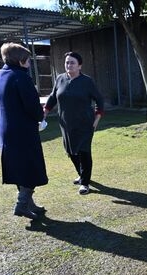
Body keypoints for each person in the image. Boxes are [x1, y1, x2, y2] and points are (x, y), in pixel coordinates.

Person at [0, 42, 48, 220]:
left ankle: (28, 203)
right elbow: (32, 106)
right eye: (27, 60)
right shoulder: (21, 77)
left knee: (19, 166)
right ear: (20, 61)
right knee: (30, 166)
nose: (29, 63)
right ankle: (21, 204)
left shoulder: (1, 74)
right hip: (22, 130)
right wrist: (40, 115)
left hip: (6, 128)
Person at [44, 51, 104, 195]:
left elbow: (99, 100)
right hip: (65, 123)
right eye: (67, 62)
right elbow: (53, 97)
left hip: (85, 123)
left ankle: (85, 183)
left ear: (79, 66)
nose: (69, 65)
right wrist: (45, 111)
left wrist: (97, 119)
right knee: (70, 151)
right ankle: (82, 174)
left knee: (83, 151)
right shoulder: (60, 79)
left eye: (72, 62)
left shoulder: (87, 81)